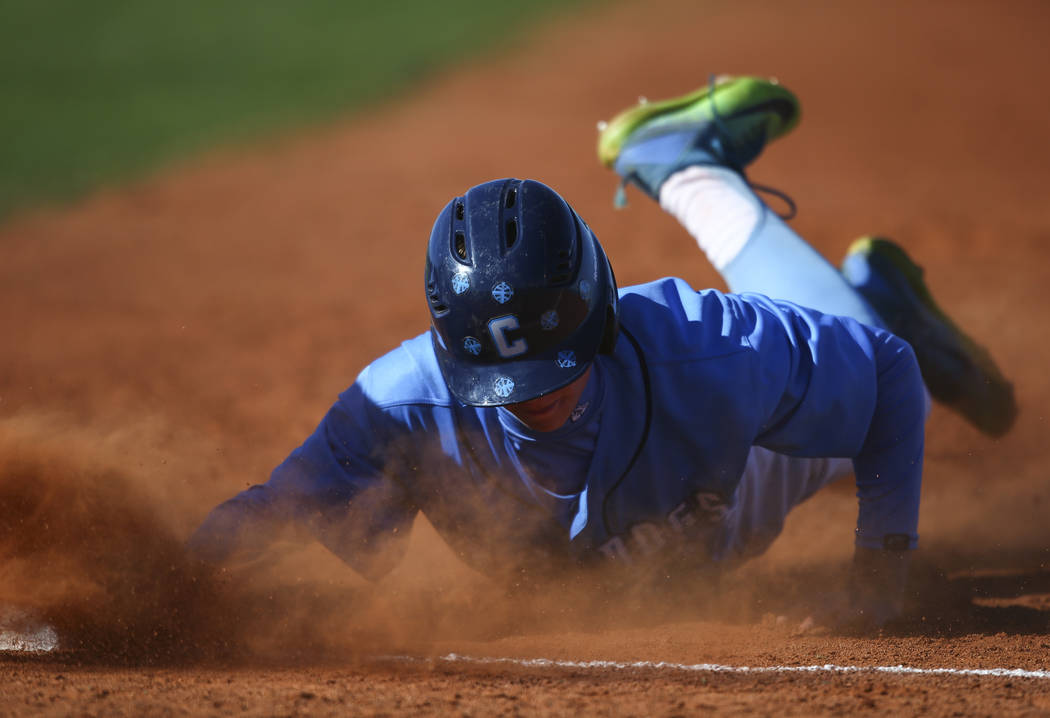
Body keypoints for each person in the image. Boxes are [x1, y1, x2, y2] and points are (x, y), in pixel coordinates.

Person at [187, 76, 1015, 629]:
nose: (533, 395)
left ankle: (682, 165)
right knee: (856, 326)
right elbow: (275, 516)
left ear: (600, 321)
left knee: (876, 345)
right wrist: (153, 589)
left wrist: (881, 575)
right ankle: (871, 290)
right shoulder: (400, 408)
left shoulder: (710, 356)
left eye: (554, 364)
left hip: (748, 459)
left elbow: (888, 380)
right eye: (504, 381)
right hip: (689, 507)